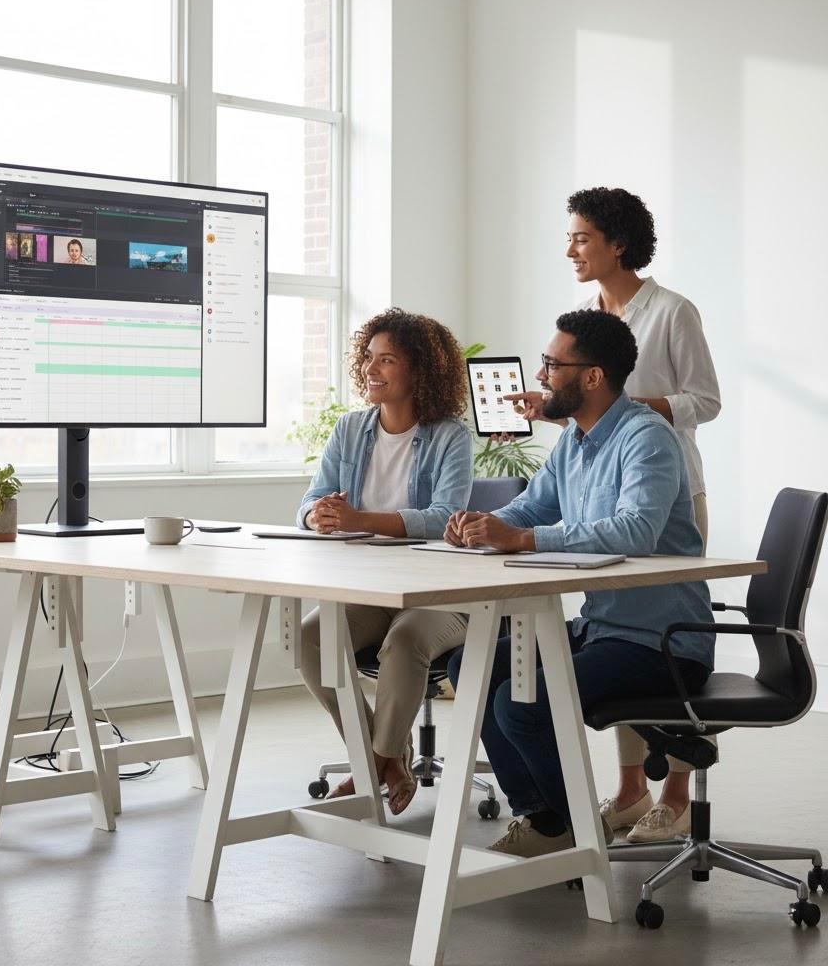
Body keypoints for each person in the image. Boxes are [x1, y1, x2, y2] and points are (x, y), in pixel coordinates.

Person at [446, 309, 714, 857]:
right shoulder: (574, 440)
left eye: (551, 364)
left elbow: (636, 530)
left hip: (661, 642)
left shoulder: (647, 438)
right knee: (469, 666)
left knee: (521, 703)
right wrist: (481, 525)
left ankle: (576, 830)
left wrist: (523, 540)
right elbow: (531, 507)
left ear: (592, 377)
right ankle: (548, 820)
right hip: (601, 629)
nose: (540, 375)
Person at [506, 187, 721, 843]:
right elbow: (588, 406)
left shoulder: (672, 311)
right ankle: (629, 789)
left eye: (581, 237)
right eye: (569, 237)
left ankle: (676, 797)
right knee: (614, 626)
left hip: (665, 488)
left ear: (617, 243)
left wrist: (630, 409)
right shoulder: (585, 321)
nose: (570, 248)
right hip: (601, 480)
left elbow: (705, 400)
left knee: (650, 622)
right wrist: (555, 408)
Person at [296, 308, 473, 815]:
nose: (371, 369)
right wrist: (316, 515)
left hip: (440, 592)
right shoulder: (350, 430)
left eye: (387, 360)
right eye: (369, 358)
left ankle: (373, 762)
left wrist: (359, 519)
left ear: (420, 369)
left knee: (406, 639)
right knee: (309, 639)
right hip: (371, 589)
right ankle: (386, 755)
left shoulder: (450, 436)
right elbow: (308, 500)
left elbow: (443, 517)